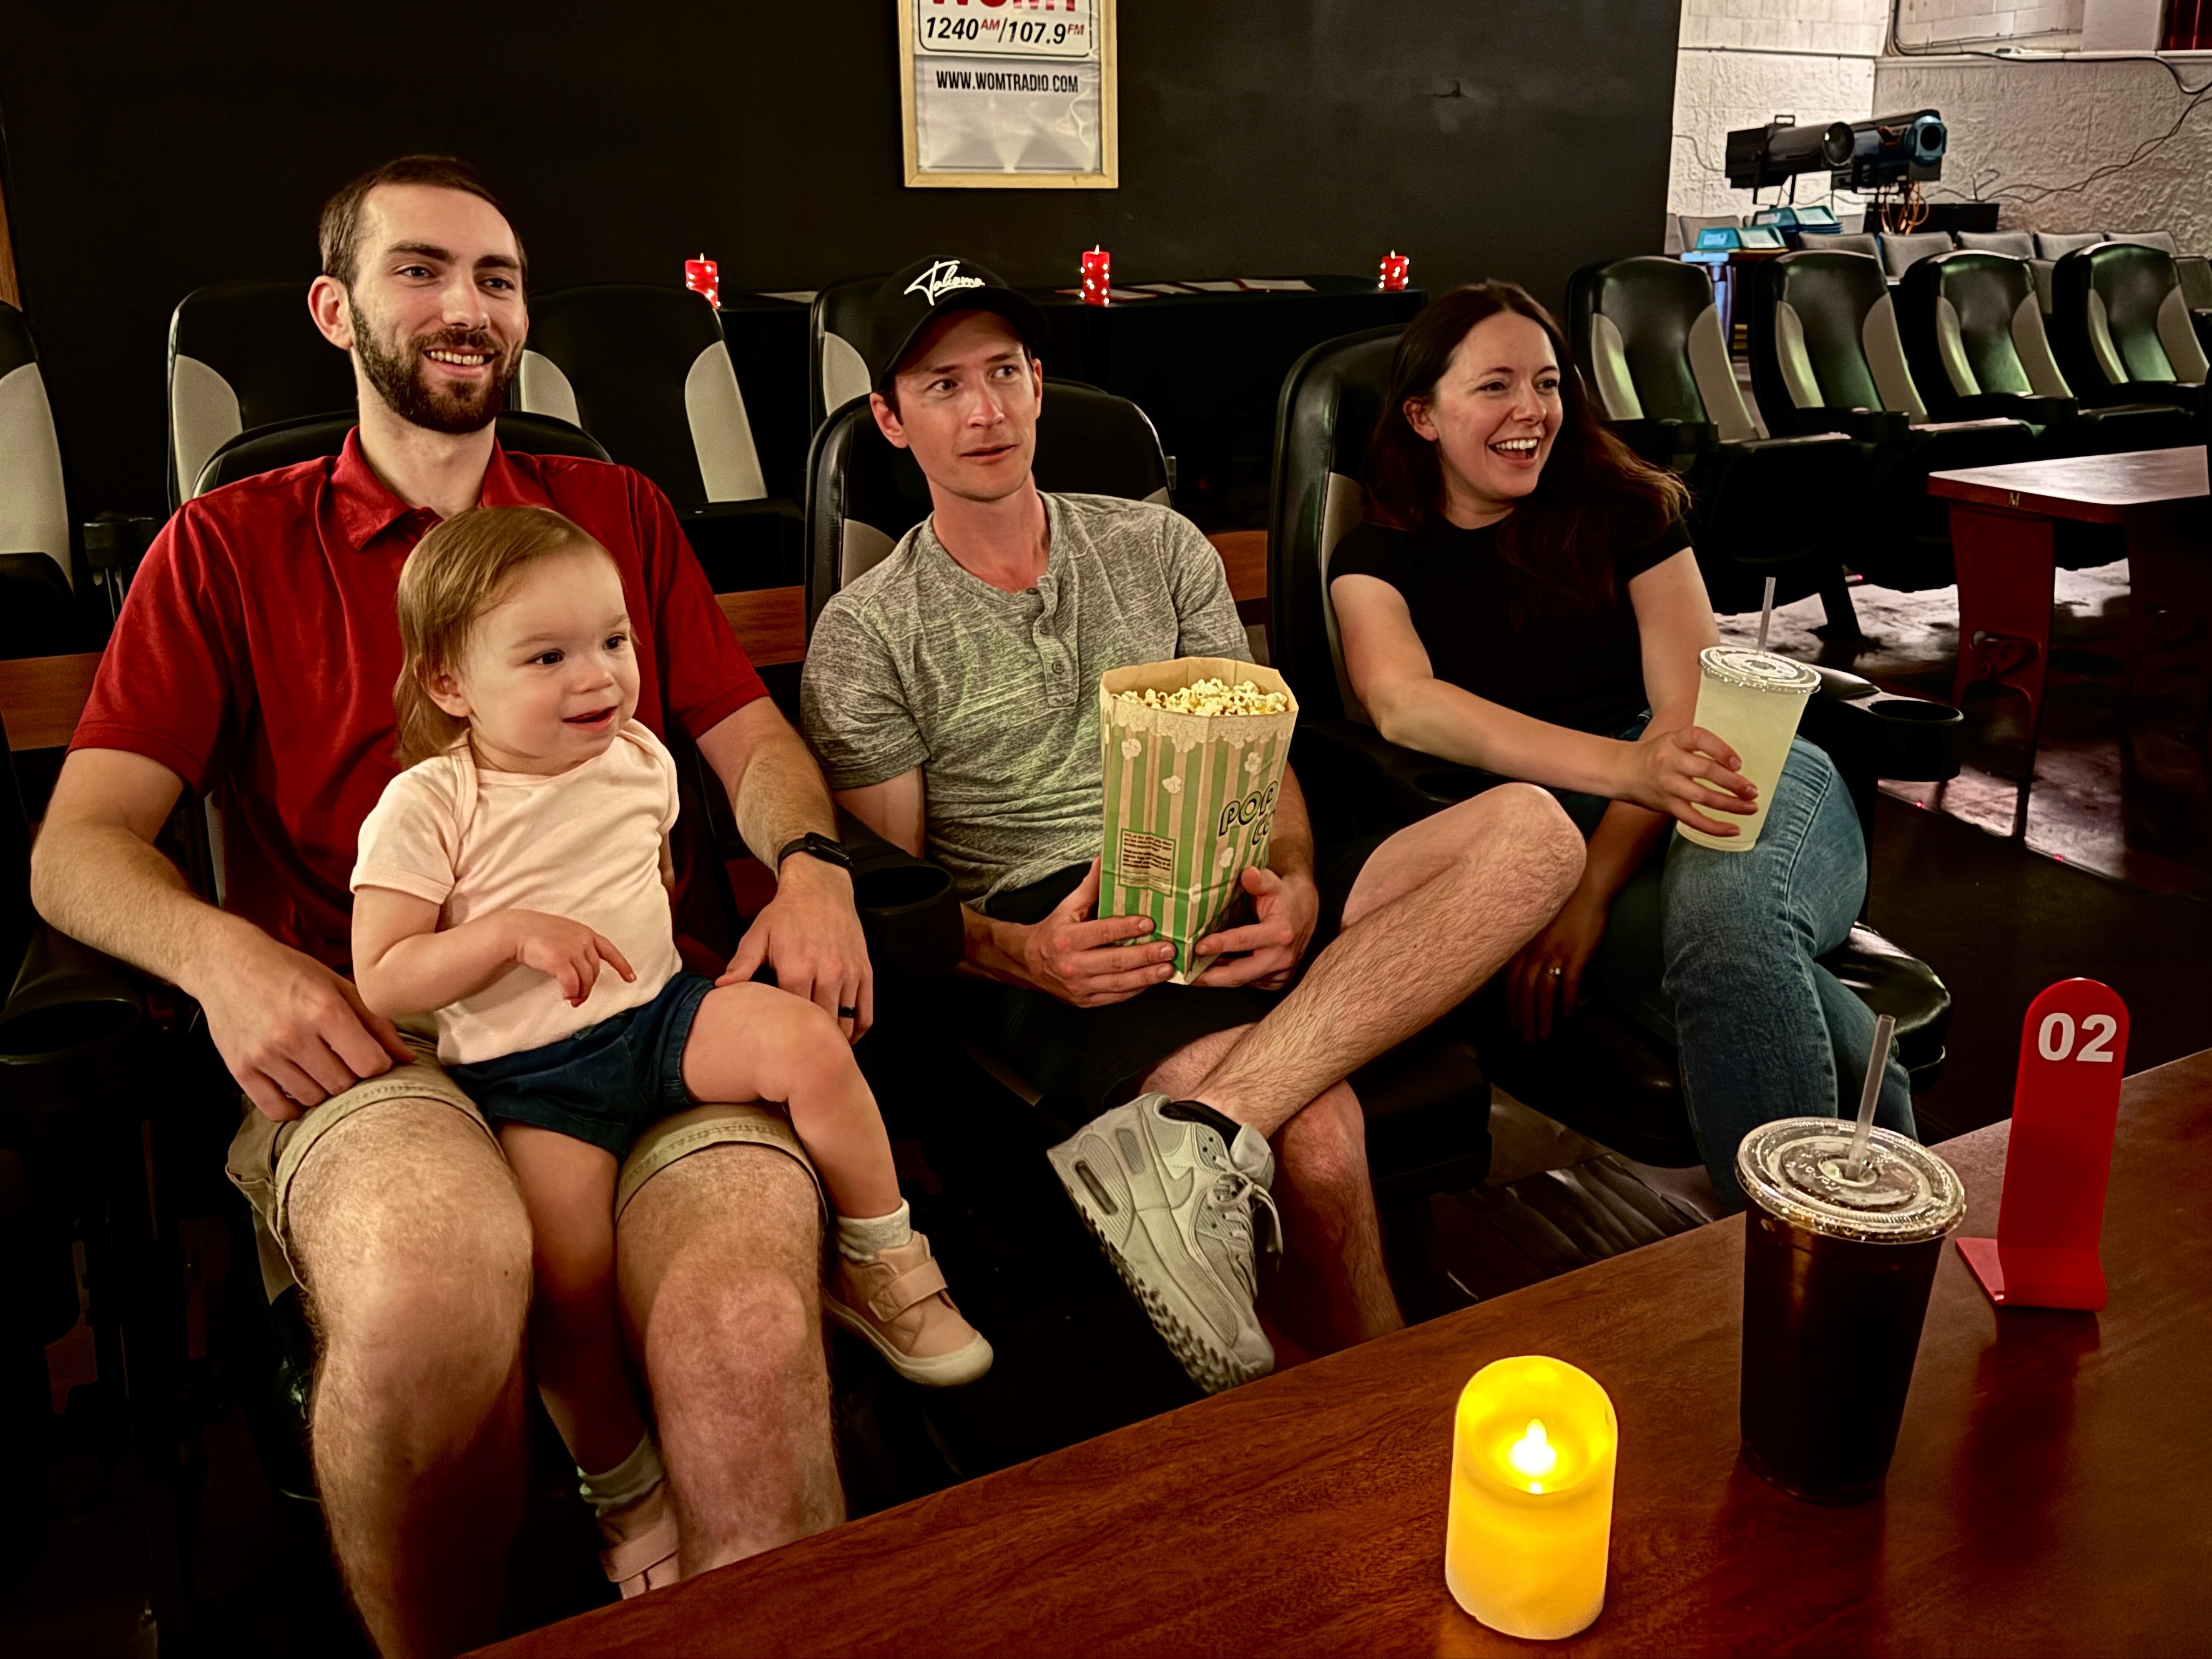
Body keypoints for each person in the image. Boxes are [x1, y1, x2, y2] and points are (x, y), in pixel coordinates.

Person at [30, 157, 859, 1654]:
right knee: (427, 1301)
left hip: (634, 1016)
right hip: (371, 1046)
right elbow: (75, 849)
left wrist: (812, 866)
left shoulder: (614, 510)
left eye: (495, 278)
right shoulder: (221, 546)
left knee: (741, 1319)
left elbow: (752, 745)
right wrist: (224, 961)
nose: (465, 307)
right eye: (421, 271)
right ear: (334, 308)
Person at [800, 257, 1586, 1394]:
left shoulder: (1159, 547)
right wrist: (1018, 953)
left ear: (1036, 384)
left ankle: (1195, 1133)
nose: (986, 411)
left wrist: (1298, 876)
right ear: (889, 418)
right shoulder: (869, 629)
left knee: (1537, 832)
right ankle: (1384, 1416)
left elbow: (1260, 745)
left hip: (1227, 872)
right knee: (1312, 1138)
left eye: (1007, 373)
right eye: (942, 385)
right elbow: (899, 890)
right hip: (1067, 927)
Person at [350, 508, 990, 1584]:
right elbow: (384, 971)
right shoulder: (429, 802)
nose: (598, 676)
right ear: (452, 683)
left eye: (613, 642)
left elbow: (643, 880)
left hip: (659, 1017)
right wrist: (504, 935)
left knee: (810, 1045)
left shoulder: (640, 755)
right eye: (548, 656)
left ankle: (885, 1258)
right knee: (570, 1287)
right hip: (531, 1076)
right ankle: (626, 1488)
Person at [1327, 281, 1917, 1211]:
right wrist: (1605, 812)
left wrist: (1593, 888)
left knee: (1726, 907)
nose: (1532, 412)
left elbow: (1694, 724)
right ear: (1422, 415)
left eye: (1549, 384)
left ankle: (1786, 1257)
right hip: (1567, 824)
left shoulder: (1630, 509)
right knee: (1758, 969)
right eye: (1494, 387)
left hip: (1749, 778)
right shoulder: (1375, 560)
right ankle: (1853, 1239)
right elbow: (1404, 705)